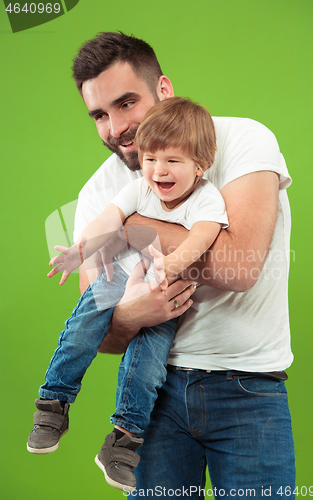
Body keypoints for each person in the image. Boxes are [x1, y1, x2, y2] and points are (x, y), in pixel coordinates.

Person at [47, 32, 297, 498]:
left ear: (164, 89)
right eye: (99, 114)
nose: (115, 127)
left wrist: (130, 228)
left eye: (126, 103)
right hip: (150, 400)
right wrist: (129, 315)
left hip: (248, 392)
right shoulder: (96, 194)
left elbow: (238, 268)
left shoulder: (242, 140)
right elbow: (97, 326)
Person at [27, 97, 229, 492]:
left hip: (163, 292)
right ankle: (53, 404)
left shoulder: (207, 199)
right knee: (82, 328)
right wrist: (80, 250)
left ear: (200, 167)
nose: (159, 170)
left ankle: (123, 440)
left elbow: (203, 237)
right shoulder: (140, 189)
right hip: (117, 279)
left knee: (148, 365)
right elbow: (108, 219)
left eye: (173, 161)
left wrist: (170, 266)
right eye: (151, 158)